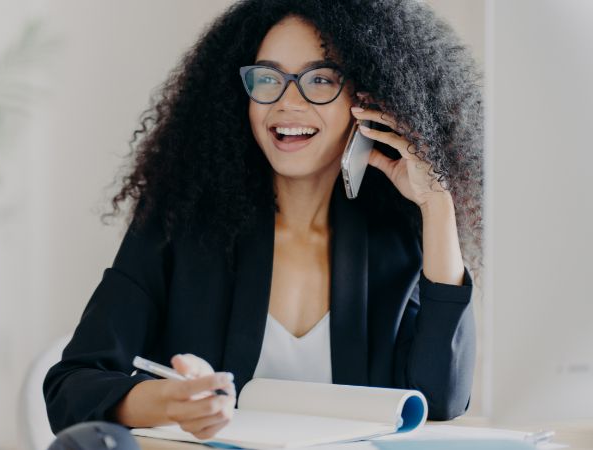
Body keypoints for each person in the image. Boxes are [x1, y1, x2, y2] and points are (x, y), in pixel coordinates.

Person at [44, 0, 483, 441]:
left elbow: (439, 399)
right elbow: (71, 387)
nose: (288, 102)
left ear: (367, 99)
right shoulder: (178, 224)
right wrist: (169, 403)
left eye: (320, 80)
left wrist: (436, 205)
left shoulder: (396, 238)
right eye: (268, 78)